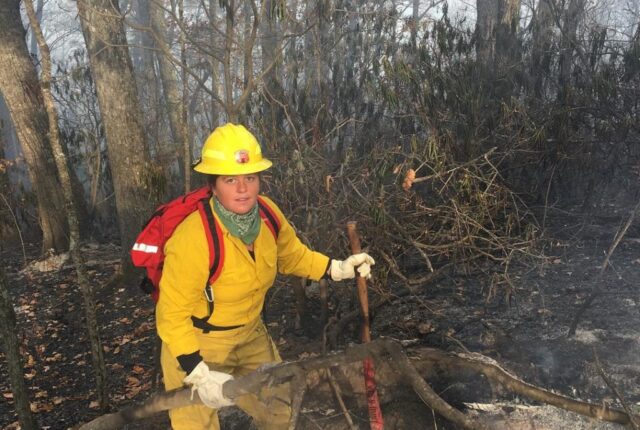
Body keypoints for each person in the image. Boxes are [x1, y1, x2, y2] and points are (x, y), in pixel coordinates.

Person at [157, 123, 375, 430]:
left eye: (250, 177)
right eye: (230, 179)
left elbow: (292, 256)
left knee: (281, 407)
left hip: (250, 335)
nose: (243, 188)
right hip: (196, 343)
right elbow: (171, 314)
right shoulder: (194, 237)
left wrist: (338, 268)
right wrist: (197, 373)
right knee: (196, 425)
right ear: (214, 185)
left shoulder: (268, 215)